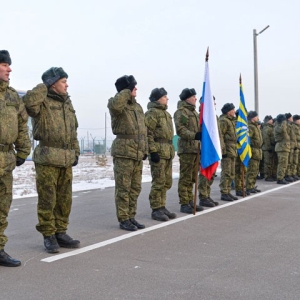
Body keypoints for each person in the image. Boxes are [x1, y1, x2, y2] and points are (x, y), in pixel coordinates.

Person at [23, 67, 80, 253]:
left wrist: (76, 152)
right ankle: (48, 234)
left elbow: (73, 131)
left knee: (65, 199)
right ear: (53, 83)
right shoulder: (42, 101)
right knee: (48, 199)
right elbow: (28, 103)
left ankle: (61, 232)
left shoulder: (67, 103)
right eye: (63, 81)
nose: (67, 85)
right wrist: (44, 85)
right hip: (47, 156)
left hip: (65, 157)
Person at [0, 50, 31, 267]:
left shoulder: (11, 95)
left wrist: (22, 151)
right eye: (4, 65)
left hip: (5, 157)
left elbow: (22, 125)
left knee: (2, 206)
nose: (9, 69)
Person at [107, 75, 147, 231]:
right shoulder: (116, 103)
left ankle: (131, 216)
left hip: (137, 152)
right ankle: (123, 218)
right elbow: (116, 106)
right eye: (133, 87)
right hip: (124, 152)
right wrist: (125, 91)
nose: (136, 89)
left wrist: (145, 149)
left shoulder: (137, 107)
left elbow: (143, 131)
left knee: (135, 187)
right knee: (124, 188)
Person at [145, 88, 177, 221]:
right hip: (158, 151)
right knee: (158, 181)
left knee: (166, 181)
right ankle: (156, 209)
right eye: (164, 96)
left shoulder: (166, 114)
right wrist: (152, 151)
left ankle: (162, 206)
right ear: (158, 99)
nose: (167, 98)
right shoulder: (152, 113)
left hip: (167, 151)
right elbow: (148, 133)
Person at [174, 88, 204, 213]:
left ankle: (190, 200)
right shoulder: (182, 112)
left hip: (195, 148)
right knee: (185, 177)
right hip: (186, 149)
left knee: (192, 177)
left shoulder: (195, 113)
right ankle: (184, 203)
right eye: (193, 97)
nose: (196, 99)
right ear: (187, 98)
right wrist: (194, 135)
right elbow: (181, 130)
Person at [198, 96, 223, 207]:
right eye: (212, 102)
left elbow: (218, 134)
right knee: (204, 173)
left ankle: (207, 195)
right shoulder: (201, 115)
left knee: (211, 174)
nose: (215, 104)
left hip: (213, 149)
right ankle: (203, 197)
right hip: (205, 149)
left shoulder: (214, 117)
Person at [219, 103, 238, 201]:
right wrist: (223, 150)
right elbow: (220, 136)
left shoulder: (231, 121)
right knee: (226, 172)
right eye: (233, 110)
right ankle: (224, 192)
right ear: (228, 111)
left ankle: (228, 191)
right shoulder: (224, 121)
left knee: (231, 172)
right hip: (227, 149)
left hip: (232, 149)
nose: (234, 111)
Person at [245, 111, 263, 193]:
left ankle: (252, 185)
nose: (257, 118)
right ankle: (249, 186)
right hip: (253, 150)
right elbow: (247, 138)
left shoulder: (255, 126)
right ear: (252, 118)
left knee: (255, 170)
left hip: (257, 150)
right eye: (256, 117)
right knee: (252, 170)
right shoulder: (251, 127)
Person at [274, 114, 290, 184]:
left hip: (284, 147)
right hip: (281, 147)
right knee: (282, 163)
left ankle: (282, 177)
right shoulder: (278, 126)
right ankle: (280, 178)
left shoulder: (281, 126)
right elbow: (282, 130)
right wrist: (284, 122)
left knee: (284, 163)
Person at [261, 115, 276, 181]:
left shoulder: (271, 128)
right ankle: (267, 176)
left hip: (271, 148)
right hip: (267, 148)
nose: (272, 121)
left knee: (271, 162)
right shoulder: (266, 128)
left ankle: (271, 175)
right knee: (267, 163)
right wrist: (269, 147)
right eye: (271, 119)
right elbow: (266, 139)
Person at [285, 113, 297, 182]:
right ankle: (287, 175)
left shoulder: (291, 126)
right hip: (287, 146)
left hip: (292, 146)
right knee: (288, 162)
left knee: (293, 161)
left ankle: (292, 174)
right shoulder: (286, 126)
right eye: (291, 117)